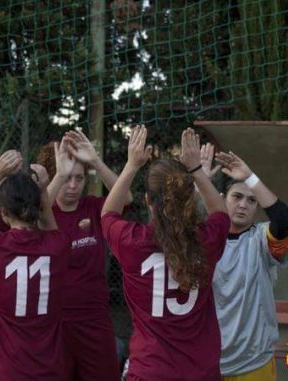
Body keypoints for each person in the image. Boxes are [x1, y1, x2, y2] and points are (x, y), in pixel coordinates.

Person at [102, 127, 230, 381]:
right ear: (190, 200)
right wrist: (196, 171)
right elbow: (221, 213)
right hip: (199, 371)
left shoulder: (132, 242)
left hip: (151, 370)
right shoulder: (206, 239)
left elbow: (108, 214)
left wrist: (131, 166)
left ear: (148, 201)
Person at [0, 150, 71, 381]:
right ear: (39, 206)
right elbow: (49, 226)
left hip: (5, 369)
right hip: (48, 368)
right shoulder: (58, 246)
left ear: (4, 213)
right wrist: (43, 191)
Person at [35, 131, 129, 381]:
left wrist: (96, 161)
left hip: (94, 319)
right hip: (53, 322)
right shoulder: (42, 214)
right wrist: (58, 176)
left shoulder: (95, 208)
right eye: (67, 178)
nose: (73, 186)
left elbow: (126, 198)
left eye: (79, 178)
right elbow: (34, 213)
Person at [208, 149, 288, 381]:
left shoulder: (262, 238)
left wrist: (250, 177)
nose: (244, 204)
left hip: (254, 361)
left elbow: (284, 221)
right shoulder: (205, 237)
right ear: (223, 198)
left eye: (252, 200)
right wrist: (198, 182)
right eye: (237, 197)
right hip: (208, 359)